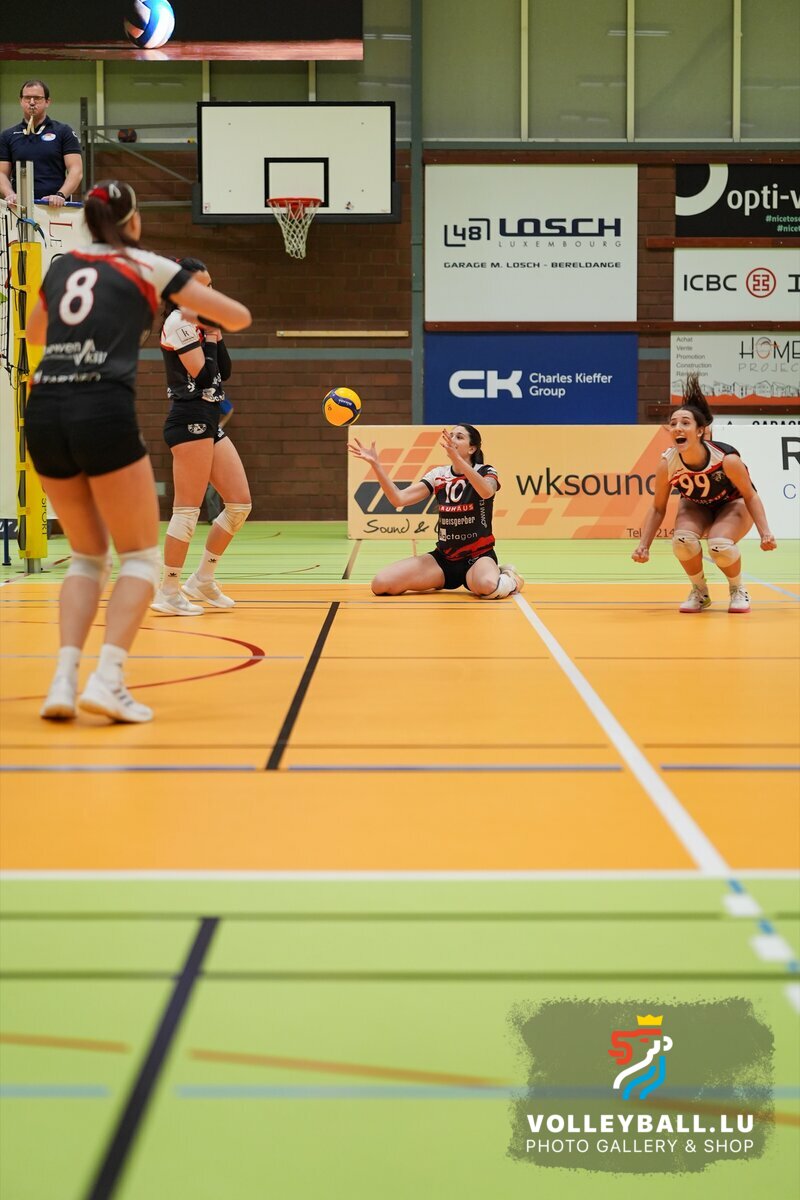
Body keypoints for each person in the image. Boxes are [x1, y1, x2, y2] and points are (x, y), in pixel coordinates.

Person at [25, 180, 251, 723]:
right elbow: (237, 315)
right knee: (137, 558)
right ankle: (108, 681)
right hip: (101, 407)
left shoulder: (61, 267)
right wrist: (194, 310)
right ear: (132, 221)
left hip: (45, 408)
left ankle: (62, 681)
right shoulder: (147, 265)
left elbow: (34, 334)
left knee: (86, 557)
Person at [151, 257, 252, 615]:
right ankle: (167, 590)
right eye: (201, 287)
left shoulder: (199, 323)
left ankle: (202, 579)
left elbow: (224, 371)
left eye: (210, 286)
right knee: (187, 510)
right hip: (189, 420)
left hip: (208, 420)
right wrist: (209, 336)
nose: (209, 293)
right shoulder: (178, 322)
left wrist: (213, 335)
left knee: (239, 504)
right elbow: (205, 377)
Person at [632, 374, 777, 613]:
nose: (677, 428)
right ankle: (700, 592)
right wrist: (643, 545)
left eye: (685, 423)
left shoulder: (726, 459)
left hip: (733, 504)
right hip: (696, 504)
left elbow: (750, 495)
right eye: (673, 423)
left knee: (719, 546)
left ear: (700, 431)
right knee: (682, 542)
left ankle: (737, 589)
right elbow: (657, 507)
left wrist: (766, 533)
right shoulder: (667, 464)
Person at [348, 424, 524, 599]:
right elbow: (399, 499)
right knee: (381, 584)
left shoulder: (486, 471)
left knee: (487, 586)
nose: (452, 439)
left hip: (477, 557)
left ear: (472, 448)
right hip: (444, 560)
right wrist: (376, 465)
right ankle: (478, 574)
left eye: (459, 437)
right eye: (451, 435)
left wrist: (459, 461)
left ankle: (510, 578)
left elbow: (487, 491)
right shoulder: (438, 474)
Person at [0, 79, 83, 207]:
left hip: (55, 207)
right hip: (20, 207)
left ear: (47, 102)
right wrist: (10, 194)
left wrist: (60, 195)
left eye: (37, 98)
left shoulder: (63, 131)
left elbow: (76, 169)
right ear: (21, 101)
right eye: (27, 98)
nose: (32, 102)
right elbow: (1, 173)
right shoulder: (8, 135)